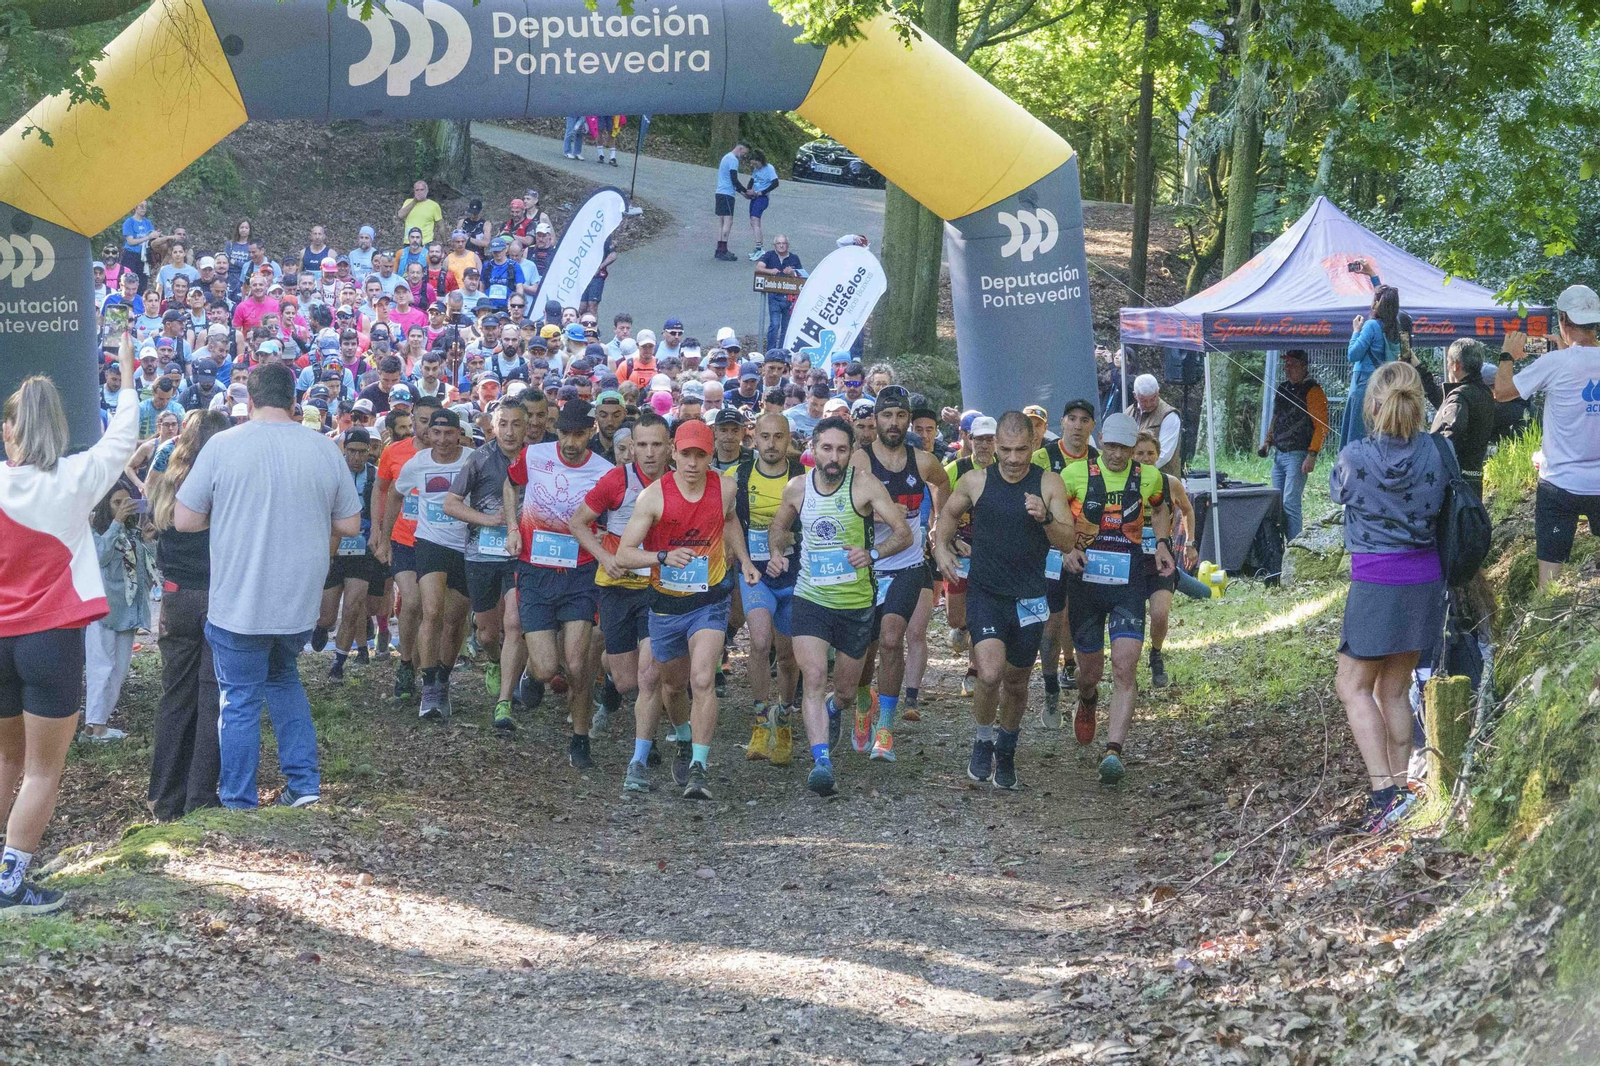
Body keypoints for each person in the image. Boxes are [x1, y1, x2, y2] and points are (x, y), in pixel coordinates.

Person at [175, 362, 361, 809]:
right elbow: (350, 524)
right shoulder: (324, 449)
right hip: (298, 601)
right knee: (283, 679)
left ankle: (238, 799)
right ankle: (304, 783)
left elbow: (185, 519)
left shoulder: (223, 445)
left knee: (238, 700)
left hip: (239, 598)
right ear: (295, 401)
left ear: (250, 401)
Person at [0, 337, 140, 917]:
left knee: (5, 761)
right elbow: (125, 432)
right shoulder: (78, 476)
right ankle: (10, 884)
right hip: (51, 640)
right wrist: (126, 367)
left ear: (10, 431)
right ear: (57, 427)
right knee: (41, 768)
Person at [611, 419, 761, 800]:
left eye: (701, 455)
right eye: (686, 454)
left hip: (709, 599)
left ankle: (697, 766)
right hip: (665, 604)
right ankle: (666, 746)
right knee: (669, 685)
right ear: (673, 454)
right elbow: (625, 554)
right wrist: (662, 556)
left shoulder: (725, 488)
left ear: (710, 456)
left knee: (702, 679)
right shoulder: (654, 497)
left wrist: (744, 560)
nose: (692, 463)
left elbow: (728, 522)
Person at [1330, 361, 1448, 834]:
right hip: (1425, 580)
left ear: (1373, 405)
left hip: (1377, 580)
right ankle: (1401, 792)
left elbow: (1338, 492)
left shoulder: (1355, 455)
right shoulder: (1437, 451)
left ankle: (1383, 794)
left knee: (1352, 685)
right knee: (1394, 690)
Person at [767, 417, 912, 795]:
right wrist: (777, 551)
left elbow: (904, 532)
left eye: (842, 449)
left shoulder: (863, 485)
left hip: (856, 603)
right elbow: (779, 526)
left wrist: (873, 552)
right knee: (813, 678)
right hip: (810, 598)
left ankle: (833, 712)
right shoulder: (797, 488)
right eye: (827, 449)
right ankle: (822, 762)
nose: (833, 457)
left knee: (846, 693)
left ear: (851, 452)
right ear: (813, 449)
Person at [935, 412, 1076, 790]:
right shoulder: (976, 480)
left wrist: (1045, 519)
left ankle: (1008, 748)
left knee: (1016, 682)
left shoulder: (1048, 483)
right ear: (993, 445)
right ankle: (983, 740)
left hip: (1030, 597)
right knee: (991, 673)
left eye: (1021, 450)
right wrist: (941, 551)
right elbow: (947, 516)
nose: (1013, 459)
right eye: (1006, 450)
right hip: (987, 593)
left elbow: (1067, 541)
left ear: (1034, 445)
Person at [1057, 412, 1174, 785]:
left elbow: (1159, 506)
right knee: (1089, 674)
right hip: (1085, 585)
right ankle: (1088, 700)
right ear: (1101, 442)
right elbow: (1057, 520)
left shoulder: (1149, 477)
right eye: (1112, 447)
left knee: (1125, 668)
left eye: (1125, 449)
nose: (1119, 456)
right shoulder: (1075, 476)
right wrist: (1064, 550)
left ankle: (1113, 751)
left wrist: (1162, 543)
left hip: (1128, 583)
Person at [568, 412, 680, 792]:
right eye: (642, 445)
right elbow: (578, 522)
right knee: (630, 680)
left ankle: (639, 759)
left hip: (661, 589)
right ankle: (610, 680)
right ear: (631, 447)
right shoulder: (618, 480)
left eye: (656, 445)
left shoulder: (682, 481)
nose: (649, 453)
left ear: (670, 447)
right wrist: (604, 556)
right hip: (616, 587)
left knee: (651, 676)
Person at [505, 400, 614, 768]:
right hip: (535, 570)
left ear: (591, 433)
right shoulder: (534, 455)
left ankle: (580, 738)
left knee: (579, 664)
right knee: (548, 666)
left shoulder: (605, 471)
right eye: (564, 433)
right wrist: (511, 527)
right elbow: (510, 483)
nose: (570, 441)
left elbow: (615, 519)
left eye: (579, 434)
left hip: (581, 573)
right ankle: (533, 676)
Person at [851, 386, 950, 760]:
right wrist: (879, 513)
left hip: (908, 564)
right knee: (864, 651)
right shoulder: (859, 461)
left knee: (893, 640)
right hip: (869, 565)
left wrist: (937, 521)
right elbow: (848, 502)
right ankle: (864, 702)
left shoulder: (921, 460)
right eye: (887, 416)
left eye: (901, 416)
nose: (894, 423)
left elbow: (941, 482)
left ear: (909, 419)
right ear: (875, 419)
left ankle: (886, 729)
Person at [147, 409, 229, 820]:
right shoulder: (224, 483)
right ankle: (199, 796)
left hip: (176, 597)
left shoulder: (168, 480)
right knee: (212, 696)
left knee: (175, 696)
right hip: (217, 595)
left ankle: (163, 798)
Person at [1496, 288, 1600, 588]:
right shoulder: (1560, 362)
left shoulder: (1554, 364)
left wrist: (1508, 355)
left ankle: (1543, 620)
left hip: (1560, 485)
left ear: (1563, 320)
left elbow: (1501, 392)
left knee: (1549, 582)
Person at [442, 402, 530, 731]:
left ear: (526, 428)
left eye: (516, 424)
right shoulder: (478, 458)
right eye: (503, 424)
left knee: (515, 622)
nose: (509, 431)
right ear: (493, 426)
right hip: (481, 553)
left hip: (520, 555)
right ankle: (494, 660)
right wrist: (488, 519)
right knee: (488, 632)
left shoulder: (535, 459)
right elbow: (451, 503)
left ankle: (505, 700)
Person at [382, 410, 473, 719]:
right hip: (430, 542)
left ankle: (444, 678)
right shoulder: (417, 463)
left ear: (459, 434)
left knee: (455, 619)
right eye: (437, 434)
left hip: (465, 545)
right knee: (431, 610)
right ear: (429, 435)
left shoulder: (473, 459)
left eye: (449, 434)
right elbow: (394, 495)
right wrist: (384, 536)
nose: (443, 440)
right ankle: (429, 682)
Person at [727, 414, 804, 762]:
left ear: (789, 440)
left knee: (787, 655)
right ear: (753, 439)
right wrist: (743, 560)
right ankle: (760, 720)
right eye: (765, 436)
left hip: (794, 576)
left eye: (779, 437)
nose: (771, 444)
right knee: (759, 642)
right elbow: (728, 523)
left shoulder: (803, 479)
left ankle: (784, 719)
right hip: (755, 573)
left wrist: (791, 539)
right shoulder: (738, 476)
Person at [1031, 398, 1099, 723]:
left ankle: (1083, 686)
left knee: (1082, 618)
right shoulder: (1043, 458)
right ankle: (1050, 691)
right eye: (1071, 418)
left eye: (1084, 420)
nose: (1077, 425)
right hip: (1051, 552)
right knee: (1053, 619)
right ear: (1061, 423)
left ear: (1092, 427)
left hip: (1090, 555)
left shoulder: (1100, 462)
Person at [373, 394, 442, 698]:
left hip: (438, 541)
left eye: (434, 422)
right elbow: (381, 489)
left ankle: (430, 668)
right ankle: (405, 664)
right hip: (403, 539)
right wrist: (378, 532)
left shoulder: (452, 456)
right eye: (422, 421)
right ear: (412, 420)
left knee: (435, 611)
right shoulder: (394, 452)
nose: (427, 428)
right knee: (411, 602)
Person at [84, 479, 154, 742]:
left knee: (119, 669)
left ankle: (96, 725)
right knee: (100, 666)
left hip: (127, 612)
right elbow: (100, 557)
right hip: (103, 611)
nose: (122, 508)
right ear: (106, 505)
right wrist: (116, 523)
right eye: (116, 503)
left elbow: (146, 572)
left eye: (127, 502)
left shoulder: (131, 532)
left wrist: (147, 541)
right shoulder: (95, 531)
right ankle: (95, 726)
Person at [314, 429, 385, 683]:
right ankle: (321, 627)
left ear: (370, 452)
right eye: (352, 451)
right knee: (327, 616)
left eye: (362, 452)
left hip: (362, 551)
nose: (356, 457)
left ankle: (339, 663)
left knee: (354, 606)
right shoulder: (331, 472)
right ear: (344, 449)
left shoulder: (375, 477)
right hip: (334, 548)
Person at [1133, 431, 1197, 689]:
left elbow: (1187, 510)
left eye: (1150, 453)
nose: (1146, 458)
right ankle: (1129, 665)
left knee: (1159, 614)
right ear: (1131, 455)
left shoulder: (1170, 482)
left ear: (1158, 456)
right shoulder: (1125, 482)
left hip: (1162, 558)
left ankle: (1156, 654)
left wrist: (1190, 544)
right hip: (1131, 559)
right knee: (1134, 618)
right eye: (1140, 453)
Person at [940, 416, 997, 699]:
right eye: (979, 439)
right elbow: (940, 512)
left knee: (981, 612)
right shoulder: (956, 469)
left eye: (990, 439)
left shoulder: (1004, 469)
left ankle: (973, 670)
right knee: (956, 615)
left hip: (990, 553)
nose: (985, 445)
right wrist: (949, 540)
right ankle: (961, 627)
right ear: (968, 440)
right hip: (960, 549)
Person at [1259, 350, 1329, 540]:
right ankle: (1277, 547)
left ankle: (1294, 546)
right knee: (1277, 503)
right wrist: (1267, 442)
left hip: (1298, 454)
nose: (1287, 369)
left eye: (1292, 365)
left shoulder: (1314, 391)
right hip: (1279, 453)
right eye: (1286, 364)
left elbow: (1321, 426)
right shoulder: (1282, 388)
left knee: (1290, 503)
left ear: (1303, 367)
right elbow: (1276, 417)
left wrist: (1312, 454)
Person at [1340, 267, 1402, 444]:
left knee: (1356, 437)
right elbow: (1386, 298)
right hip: (1384, 388)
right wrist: (1372, 276)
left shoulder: (1371, 326)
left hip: (1363, 387)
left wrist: (1355, 332)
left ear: (1376, 303)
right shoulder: (1395, 325)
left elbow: (1353, 355)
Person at [1431, 339, 1494, 501]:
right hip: (1474, 475)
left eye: (1448, 363)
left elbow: (1453, 431)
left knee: (1453, 524)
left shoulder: (1460, 396)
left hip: (1455, 480)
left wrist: (1432, 457)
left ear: (1456, 366)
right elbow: (1443, 402)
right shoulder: (1484, 392)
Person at [1125, 375, 1182, 477]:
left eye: (1153, 398)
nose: (1149, 404)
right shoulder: (1128, 413)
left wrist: (1139, 472)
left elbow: (1164, 455)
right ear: (1135, 395)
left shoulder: (1169, 415)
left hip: (1163, 479)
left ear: (1158, 392)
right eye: (1143, 400)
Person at [755, 236, 802, 350]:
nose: (781, 245)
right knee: (775, 325)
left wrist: (792, 272)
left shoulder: (794, 258)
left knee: (786, 327)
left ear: (788, 245)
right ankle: (771, 351)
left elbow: (802, 276)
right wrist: (770, 271)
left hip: (790, 297)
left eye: (784, 243)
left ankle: (782, 351)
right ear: (774, 245)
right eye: (779, 243)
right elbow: (758, 268)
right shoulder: (769, 255)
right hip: (774, 296)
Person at [713, 140, 750, 262]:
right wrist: (746, 191)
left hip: (720, 192)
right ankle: (723, 249)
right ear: (740, 148)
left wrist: (741, 193)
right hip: (727, 194)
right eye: (744, 153)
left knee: (722, 222)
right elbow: (734, 179)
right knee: (728, 221)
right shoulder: (733, 160)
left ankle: (719, 249)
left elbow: (731, 180)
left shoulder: (726, 157)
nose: (744, 156)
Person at [745, 150, 780, 260]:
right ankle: (758, 247)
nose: (754, 166)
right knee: (753, 221)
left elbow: (775, 183)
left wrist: (763, 192)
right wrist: (748, 190)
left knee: (755, 220)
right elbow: (751, 181)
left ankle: (759, 248)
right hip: (755, 197)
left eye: (755, 163)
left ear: (760, 160)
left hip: (762, 198)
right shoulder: (756, 170)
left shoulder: (769, 168)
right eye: (753, 164)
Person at [120, 200, 160, 290]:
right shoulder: (129, 222)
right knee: (129, 281)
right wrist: (148, 237)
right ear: (135, 207)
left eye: (145, 206)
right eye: (141, 206)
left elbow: (152, 238)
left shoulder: (147, 223)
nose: (143, 208)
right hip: (131, 255)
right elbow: (130, 241)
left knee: (142, 284)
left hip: (144, 256)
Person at [397, 179, 444, 244]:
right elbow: (400, 215)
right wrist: (415, 201)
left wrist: (445, 243)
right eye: (417, 190)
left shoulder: (434, 205)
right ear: (414, 191)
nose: (419, 192)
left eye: (422, 190)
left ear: (427, 191)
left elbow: (441, 226)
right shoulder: (408, 202)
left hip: (425, 242)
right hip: (409, 242)